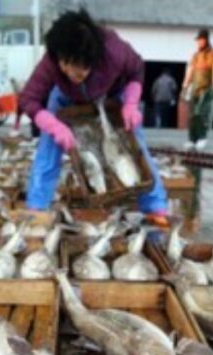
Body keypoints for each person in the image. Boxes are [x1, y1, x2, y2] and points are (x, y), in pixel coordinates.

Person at [19, 9, 168, 223]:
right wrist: (53, 125)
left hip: (112, 92)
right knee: (48, 148)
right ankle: (36, 207)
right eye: (65, 67)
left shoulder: (115, 51)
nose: (72, 74)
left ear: (93, 60)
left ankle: (155, 207)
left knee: (136, 145)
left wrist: (132, 103)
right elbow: (28, 98)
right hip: (65, 96)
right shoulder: (53, 58)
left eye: (79, 72)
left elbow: (137, 69)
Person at [182, 28, 213, 150]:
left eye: (200, 40)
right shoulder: (195, 56)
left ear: (206, 40)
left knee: (201, 114)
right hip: (195, 88)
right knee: (192, 115)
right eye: (198, 40)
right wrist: (185, 86)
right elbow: (190, 72)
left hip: (207, 89)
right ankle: (192, 139)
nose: (199, 42)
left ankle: (202, 138)